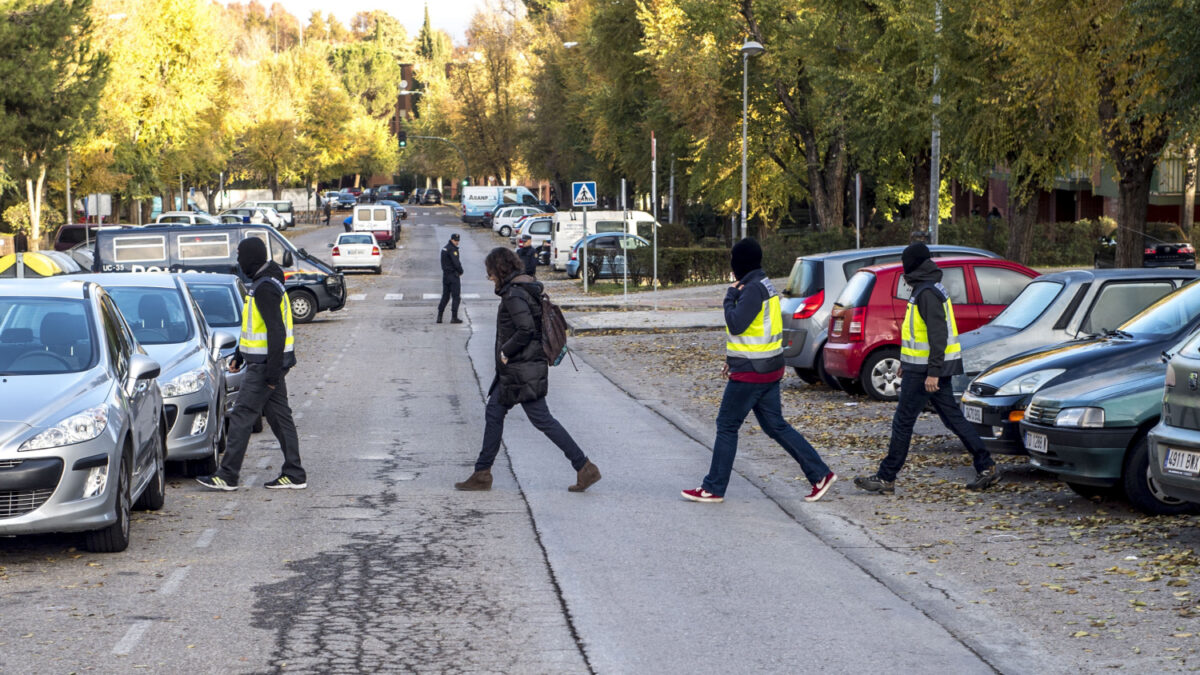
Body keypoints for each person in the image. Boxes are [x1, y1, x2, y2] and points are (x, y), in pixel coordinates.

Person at [682, 239, 836, 504]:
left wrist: (729, 297)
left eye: (733, 260)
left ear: (741, 262)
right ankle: (820, 474)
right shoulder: (765, 284)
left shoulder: (752, 289)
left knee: (727, 425)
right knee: (776, 426)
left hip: (752, 373)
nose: (732, 266)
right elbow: (758, 332)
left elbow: (737, 323)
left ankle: (714, 487)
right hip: (768, 367)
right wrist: (733, 359)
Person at [854, 243, 999, 495]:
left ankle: (886, 477)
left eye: (906, 263)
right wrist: (905, 363)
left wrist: (933, 372)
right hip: (920, 369)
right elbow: (916, 333)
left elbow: (937, 335)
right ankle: (987, 466)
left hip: (925, 373)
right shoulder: (926, 287)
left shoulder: (927, 292)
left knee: (902, 422)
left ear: (913, 265)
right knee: (953, 419)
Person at [454, 247, 600, 493]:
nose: (488, 276)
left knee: (541, 419)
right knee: (495, 413)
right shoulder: (522, 288)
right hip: (519, 370)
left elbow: (526, 330)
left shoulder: (514, 295)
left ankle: (584, 466)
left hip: (521, 369)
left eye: (489, 271)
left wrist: (505, 351)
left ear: (499, 270)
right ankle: (482, 472)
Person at [198, 237, 307, 491]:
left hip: (265, 366)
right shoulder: (264, 283)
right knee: (280, 418)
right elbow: (254, 330)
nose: (238, 261)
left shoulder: (265, 288)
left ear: (251, 258)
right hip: (268, 363)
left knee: (241, 416)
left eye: (240, 256)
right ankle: (294, 473)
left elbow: (276, 332)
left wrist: (271, 373)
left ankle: (227, 475)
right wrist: (239, 354)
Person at [437, 233, 464, 324]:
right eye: (456, 241)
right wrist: (461, 271)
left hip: (446, 276)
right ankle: (454, 317)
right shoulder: (452, 250)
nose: (457, 242)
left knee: (445, 296)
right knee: (456, 297)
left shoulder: (445, 248)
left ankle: (439, 316)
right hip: (453, 276)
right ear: (451, 240)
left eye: (458, 241)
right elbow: (456, 263)